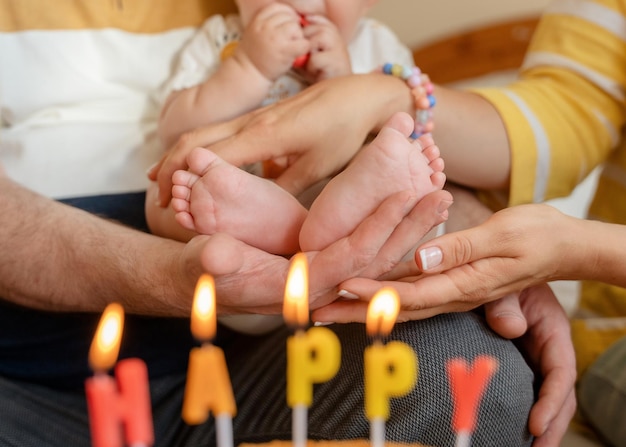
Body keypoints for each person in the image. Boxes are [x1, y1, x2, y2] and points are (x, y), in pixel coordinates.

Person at [0, 2, 538, 447]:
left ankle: (357, 198)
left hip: (301, 310)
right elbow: (179, 127)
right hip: (198, 262)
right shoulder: (225, 40)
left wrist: (348, 90)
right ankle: (271, 219)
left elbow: (437, 122)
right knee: (180, 189)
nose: (304, 4)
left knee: (462, 349)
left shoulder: (379, 52)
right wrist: (248, 69)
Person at [146, 0, 436, 256]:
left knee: (391, 150)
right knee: (163, 193)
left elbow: (411, 123)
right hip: (227, 213)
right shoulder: (219, 38)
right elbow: (174, 131)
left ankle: (338, 212)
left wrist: (342, 82)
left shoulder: (376, 45)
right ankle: (269, 224)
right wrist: (248, 67)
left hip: (328, 196)